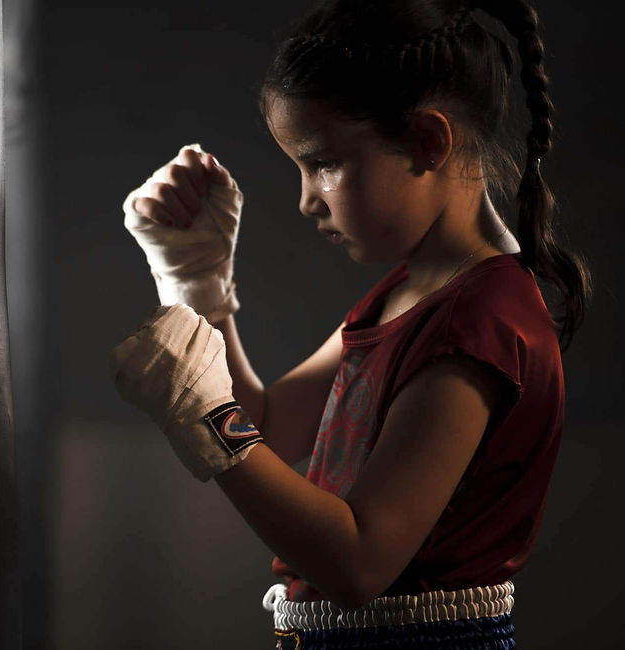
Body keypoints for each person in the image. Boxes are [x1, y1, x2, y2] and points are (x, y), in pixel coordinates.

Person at [109, 0, 593, 648]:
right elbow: (270, 429)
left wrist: (206, 420)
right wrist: (200, 284)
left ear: (427, 141)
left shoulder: (479, 322)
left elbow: (358, 564)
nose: (307, 198)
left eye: (324, 163)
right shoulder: (412, 292)